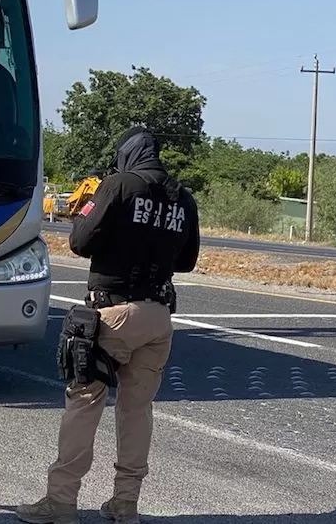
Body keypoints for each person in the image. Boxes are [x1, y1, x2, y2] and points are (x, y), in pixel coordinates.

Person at [16, 126, 200, 524]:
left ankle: (61, 502)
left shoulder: (118, 186)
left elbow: (81, 241)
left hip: (113, 313)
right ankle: (125, 504)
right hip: (158, 316)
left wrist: (88, 209)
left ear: (126, 156)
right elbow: (186, 262)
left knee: (83, 403)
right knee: (137, 411)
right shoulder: (183, 198)